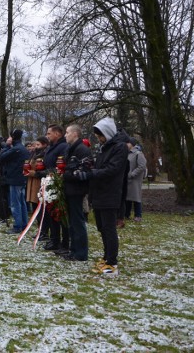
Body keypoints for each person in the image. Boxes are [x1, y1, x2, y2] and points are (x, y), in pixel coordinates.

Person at [75, 117, 128, 277]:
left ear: (108, 133)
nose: (98, 139)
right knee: (102, 228)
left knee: (109, 228)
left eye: (100, 135)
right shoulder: (104, 148)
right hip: (98, 193)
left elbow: (112, 169)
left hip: (109, 193)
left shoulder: (119, 148)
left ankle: (112, 262)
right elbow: (99, 166)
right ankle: (106, 257)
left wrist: (91, 174)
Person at [61, 125, 92, 261]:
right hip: (69, 189)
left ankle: (80, 252)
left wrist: (66, 174)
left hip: (77, 190)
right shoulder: (70, 149)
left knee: (78, 222)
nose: (65, 135)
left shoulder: (82, 150)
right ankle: (73, 249)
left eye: (67, 133)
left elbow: (83, 171)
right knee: (72, 222)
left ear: (75, 134)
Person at [38, 125, 68, 251]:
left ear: (57, 134)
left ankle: (61, 241)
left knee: (58, 214)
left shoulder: (62, 147)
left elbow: (59, 166)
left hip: (57, 184)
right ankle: (53, 238)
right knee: (51, 214)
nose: (47, 136)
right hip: (49, 182)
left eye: (49, 133)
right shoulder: (51, 147)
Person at [0, 129, 30, 234]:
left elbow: (1, 157)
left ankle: (18, 226)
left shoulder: (15, 149)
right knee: (22, 202)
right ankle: (24, 224)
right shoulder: (23, 148)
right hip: (21, 178)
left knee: (15, 203)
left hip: (15, 179)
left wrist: (7, 145)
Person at [126, 138, 146, 222]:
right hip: (128, 179)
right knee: (128, 197)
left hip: (135, 180)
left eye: (127, 143)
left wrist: (132, 174)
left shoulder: (138, 153)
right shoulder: (128, 153)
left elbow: (142, 166)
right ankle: (126, 214)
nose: (126, 144)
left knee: (136, 197)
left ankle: (138, 215)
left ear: (131, 144)